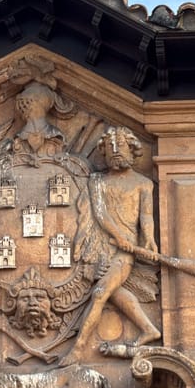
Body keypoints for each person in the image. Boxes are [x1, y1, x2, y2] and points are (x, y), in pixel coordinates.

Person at [62, 125, 161, 364]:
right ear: (104, 153)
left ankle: (77, 349)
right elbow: (100, 212)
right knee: (114, 292)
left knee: (100, 293)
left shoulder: (143, 183)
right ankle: (149, 329)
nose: (116, 152)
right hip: (103, 246)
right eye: (110, 148)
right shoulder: (97, 181)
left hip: (124, 253)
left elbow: (145, 216)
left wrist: (149, 239)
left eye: (121, 147)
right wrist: (118, 236)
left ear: (132, 149)